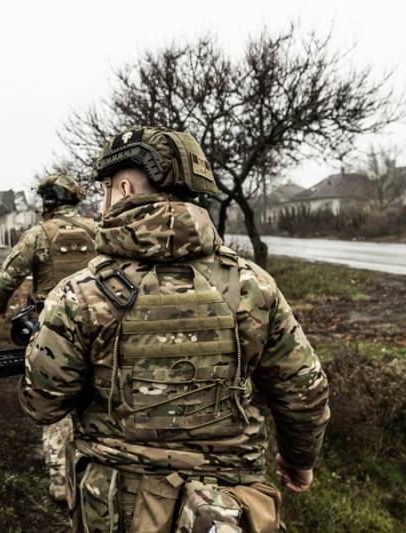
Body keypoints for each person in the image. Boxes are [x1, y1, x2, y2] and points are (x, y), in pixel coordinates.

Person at [18, 127, 330, 532]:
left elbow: (43, 405)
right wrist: (299, 461)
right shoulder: (255, 286)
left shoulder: (79, 294)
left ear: (124, 188)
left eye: (107, 188)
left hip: (117, 508)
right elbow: (304, 392)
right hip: (230, 508)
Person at [0, 174, 98, 501]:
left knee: (54, 398)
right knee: (96, 392)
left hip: (51, 328)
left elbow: (9, 275)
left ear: (48, 202)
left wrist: (0, 305)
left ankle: (58, 482)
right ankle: (93, 470)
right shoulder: (97, 230)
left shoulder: (38, 235)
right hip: (97, 323)